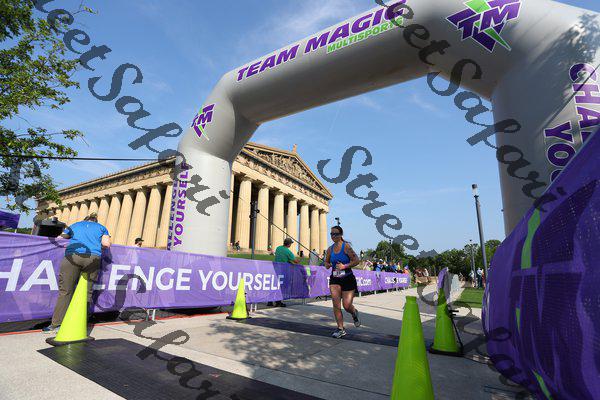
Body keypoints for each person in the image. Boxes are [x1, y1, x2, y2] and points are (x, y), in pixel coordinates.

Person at [43, 213, 110, 333]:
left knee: (65, 291)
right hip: (93, 258)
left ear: (85, 220)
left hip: (72, 256)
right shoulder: (101, 228)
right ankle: (79, 324)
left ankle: (56, 325)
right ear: (96, 221)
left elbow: (60, 237)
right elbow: (106, 244)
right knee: (86, 292)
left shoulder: (75, 225)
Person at [325, 225, 360, 338]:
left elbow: (356, 260)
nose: (333, 236)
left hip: (347, 278)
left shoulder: (346, 247)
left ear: (341, 235)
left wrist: (345, 266)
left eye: (335, 234)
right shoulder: (330, 249)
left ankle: (354, 312)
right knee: (336, 304)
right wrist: (327, 264)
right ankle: (340, 329)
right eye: (331, 234)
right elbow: (326, 262)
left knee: (347, 305)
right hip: (335, 279)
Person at [270, 238, 299, 307]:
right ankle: (278, 302)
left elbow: (282, 257)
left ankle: (270, 301)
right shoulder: (288, 251)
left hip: (275, 268)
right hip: (283, 270)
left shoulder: (278, 248)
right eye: (291, 243)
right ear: (289, 244)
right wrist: (298, 261)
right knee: (281, 286)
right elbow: (295, 261)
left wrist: (289, 260)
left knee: (274, 285)